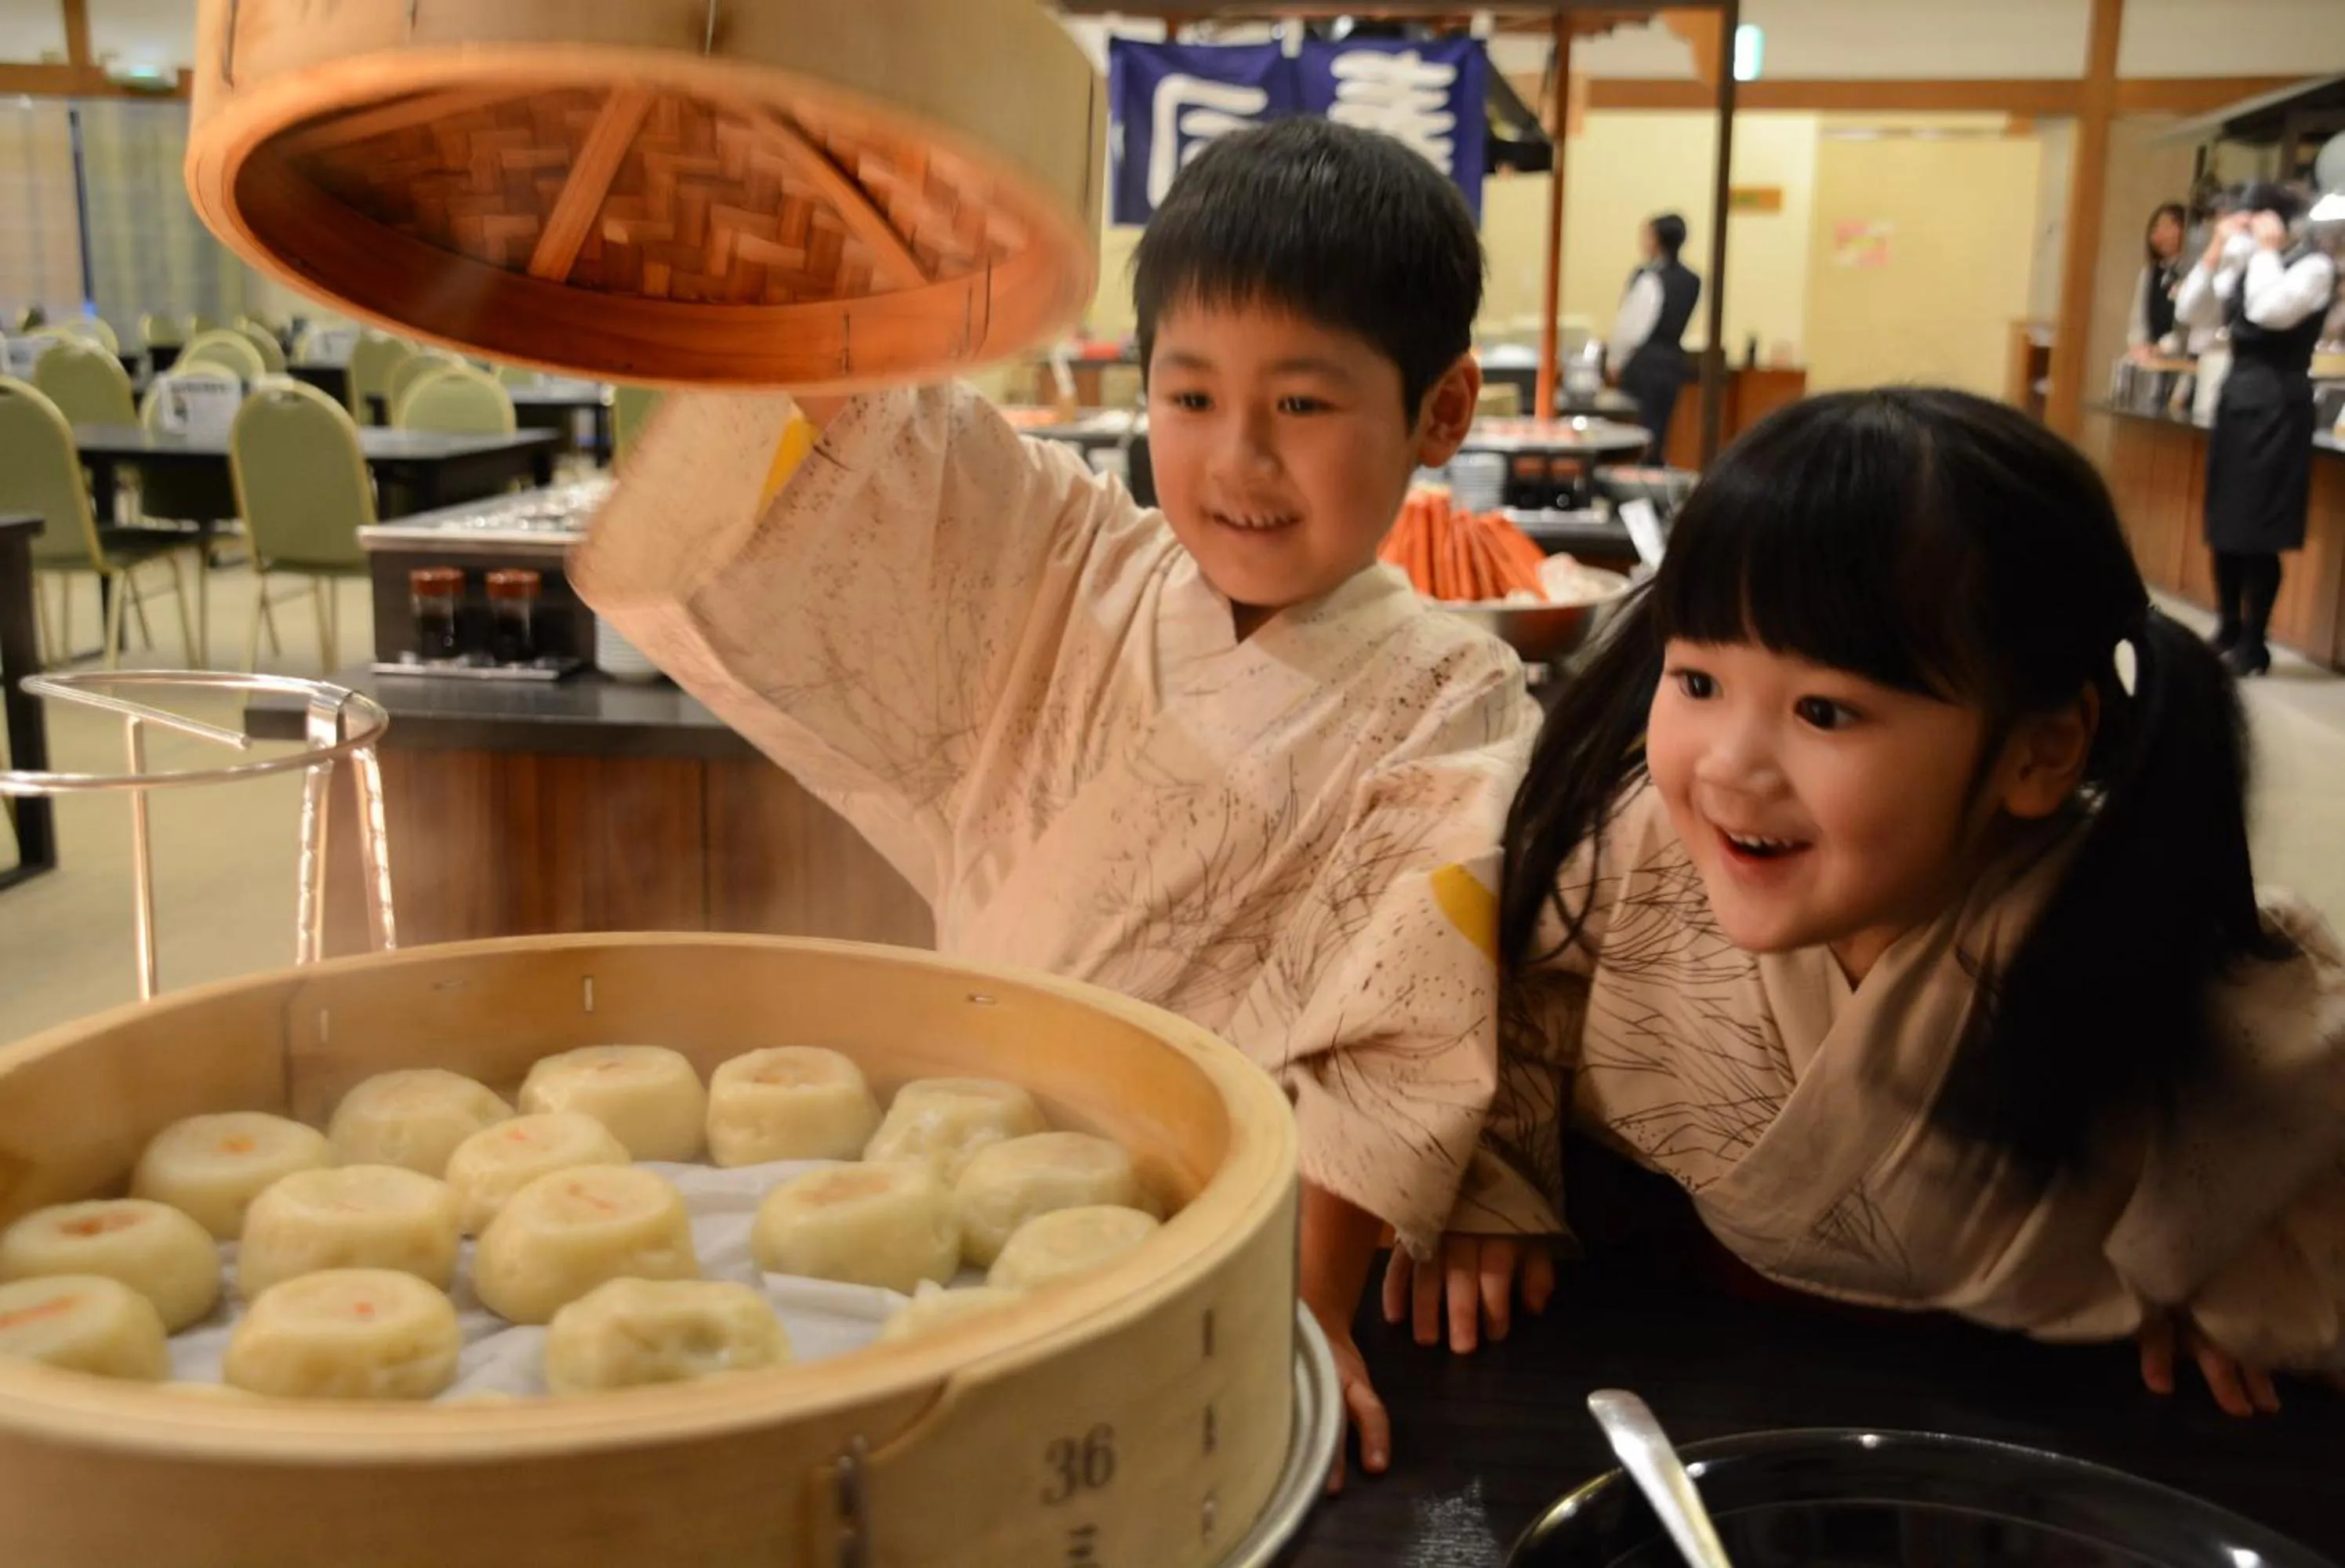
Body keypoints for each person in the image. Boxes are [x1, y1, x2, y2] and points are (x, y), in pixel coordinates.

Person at [572, 118, 1540, 1486]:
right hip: (943, 1178)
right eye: (1188, 398)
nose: (1235, 461)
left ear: (1440, 412)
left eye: (1301, 407)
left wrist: (1301, 1309)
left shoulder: (1452, 693)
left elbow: (1396, 1024)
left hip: (1211, 1236)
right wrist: (799, 216)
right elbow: (878, 436)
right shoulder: (1071, 556)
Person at [1389, 389, 2345, 1414]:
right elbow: (1512, 1001)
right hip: (1676, 1359)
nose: (1729, 765)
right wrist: (1496, 1186)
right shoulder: (1632, 847)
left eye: (1824, 711)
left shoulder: (2124, 921)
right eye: (1698, 682)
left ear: (2039, 751)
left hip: (2026, 1404)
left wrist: (2227, 1264)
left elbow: (2292, 1117)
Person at [2176, 181, 2340, 677]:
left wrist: (2266, 250)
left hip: (2279, 406)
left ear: (2277, 220)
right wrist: (2215, 251)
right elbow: (2191, 312)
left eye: (2249, 219)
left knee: (2259, 529)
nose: (2242, 230)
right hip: (2237, 400)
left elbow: (2269, 311)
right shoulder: (2244, 262)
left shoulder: (2313, 267)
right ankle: (2227, 627)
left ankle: (2255, 642)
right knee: (2225, 525)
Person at [1606, 212, 1702, 460]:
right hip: (1673, 362)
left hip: (1644, 364)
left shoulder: (1649, 277)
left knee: (1637, 433)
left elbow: (1632, 328)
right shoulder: (1692, 280)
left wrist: (1615, 361)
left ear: (1657, 240)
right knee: (1660, 431)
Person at [2125, 201, 2189, 361]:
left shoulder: (2194, 272)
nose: (2160, 234)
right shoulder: (2150, 273)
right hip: (2152, 358)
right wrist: (2139, 346)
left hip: (2183, 357)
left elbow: (2189, 326)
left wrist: (2163, 348)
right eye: (2156, 228)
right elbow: (2138, 319)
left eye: (2169, 226)